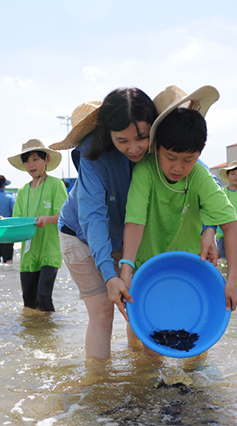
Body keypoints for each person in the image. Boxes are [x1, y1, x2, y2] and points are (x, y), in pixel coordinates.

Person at [114, 86, 237, 328]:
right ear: (157, 146)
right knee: (144, 341)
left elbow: (232, 226)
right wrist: (127, 268)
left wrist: (232, 279)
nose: (178, 168)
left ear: (199, 154)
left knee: (192, 332)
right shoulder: (145, 170)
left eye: (188, 160)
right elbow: (135, 222)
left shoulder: (201, 176)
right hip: (147, 266)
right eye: (170, 157)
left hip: (188, 266)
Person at [50, 88, 158, 359]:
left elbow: (195, 169)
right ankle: (99, 389)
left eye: (141, 138)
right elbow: (93, 218)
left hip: (127, 236)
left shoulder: (161, 146)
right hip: (80, 234)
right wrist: (110, 274)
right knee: (102, 311)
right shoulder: (92, 155)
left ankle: (141, 371)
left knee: (138, 304)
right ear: (109, 134)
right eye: (122, 140)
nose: (133, 148)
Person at [8, 139, 68, 312]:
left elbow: (64, 216)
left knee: (43, 295)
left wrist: (46, 219)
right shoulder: (22, 191)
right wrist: (1, 221)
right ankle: (35, 335)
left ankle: (50, 334)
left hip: (50, 250)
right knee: (28, 302)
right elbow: (16, 221)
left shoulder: (56, 185)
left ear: (46, 160)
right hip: (28, 254)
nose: (30, 164)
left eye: (35, 159)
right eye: (26, 160)